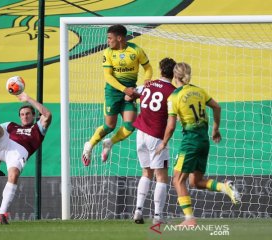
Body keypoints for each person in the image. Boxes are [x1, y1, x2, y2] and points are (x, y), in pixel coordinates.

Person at [155, 62, 241, 226]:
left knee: (177, 180)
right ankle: (225, 187)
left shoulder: (174, 96)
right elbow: (217, 107)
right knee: (195, 182)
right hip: (203, 141)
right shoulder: (199, 91)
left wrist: (164, 142)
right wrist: (215, 130)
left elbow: (171, 125)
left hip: (190, 142)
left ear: (175, 76)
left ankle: (189, 219)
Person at [82, 24, 153, 166]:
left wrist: (147, 79)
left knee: (130, 125)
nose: (108, 41)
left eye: (110, 38)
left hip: (130, 92)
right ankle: (89, 146)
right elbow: (108, 77)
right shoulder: (108, 53)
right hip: (113, 93)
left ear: (119, 38)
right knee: (109, 126)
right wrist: (124, 89)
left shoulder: (135, 50)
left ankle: (110, 142)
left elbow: (148, 67)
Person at [0, 91, 52, 224]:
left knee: (13, 175)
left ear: (34, 116)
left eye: (28, 114)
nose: (25, 116)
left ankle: (1, 213)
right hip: (3, 145)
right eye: (22, 115)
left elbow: (47, 115)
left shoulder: (37, 129)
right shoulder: (12, 125)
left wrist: (28, 99)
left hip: (18, 152)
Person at [132, 58, 176, 225]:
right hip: (156, 136)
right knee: (161, 176)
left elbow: (130, 94)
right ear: (174, 73)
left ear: (160, 69)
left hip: (140, 134)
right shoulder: (172, 92)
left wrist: (134, 97)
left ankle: (138, 211)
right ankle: (158, 216)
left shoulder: (148, 85)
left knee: (146, 173)